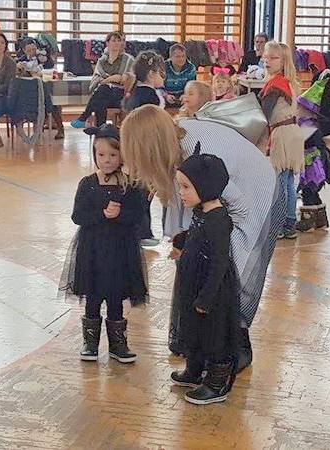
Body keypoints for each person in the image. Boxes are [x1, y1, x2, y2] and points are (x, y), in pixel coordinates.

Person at [120, 105, 284, 373]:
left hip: (257, 194)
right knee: (203, 264)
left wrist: (217, 238)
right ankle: (202, 340)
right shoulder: (177, 141)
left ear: (149, 147)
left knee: (236, 272)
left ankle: (236, 347)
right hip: (232, 197)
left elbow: (238, 208)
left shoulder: (201, 155)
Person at [61, 124, 147, 363]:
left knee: (116, 296)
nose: (107, 160)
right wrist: (102, 214)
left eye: (112, 155)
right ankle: (90, 343)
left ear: (122, 155)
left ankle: (118, 344)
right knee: (93, 295)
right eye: (101, 155)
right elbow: (78, 216)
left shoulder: (129, 185)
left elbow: (138, 217)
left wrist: (120, 215)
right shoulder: (87, 183)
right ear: (94, 154)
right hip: (93, 250)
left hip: (120, 250)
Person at [169, 153, 239, 405]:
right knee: (194, 328)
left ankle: (216, 383)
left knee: (213, 333)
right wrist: (182, 241)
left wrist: (207, 297)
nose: (181, 193)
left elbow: (219, 261)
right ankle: (194, 369)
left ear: (206, 186)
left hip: (212, 289)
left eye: (186, 187)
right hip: (194, 283)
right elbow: (197, 236)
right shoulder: (202, 211)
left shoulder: (218, 219)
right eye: (180, 186)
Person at [123, 50, 167, 248]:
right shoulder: (149, 96)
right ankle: (142, 232)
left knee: (141, 190)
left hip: (136, 146)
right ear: (151, 74)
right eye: (161, 72)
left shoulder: (137, 93)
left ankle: (139, 231)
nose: (163, 77)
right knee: (144, 192)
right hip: (146, 147)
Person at [260, 41, 304, 240]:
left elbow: (264, 114)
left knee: (280, 183)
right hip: (292, 132)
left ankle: (279, 224)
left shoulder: (276, 84)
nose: (267, 61)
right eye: (266, 57)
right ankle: (289, 224)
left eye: (273, 58)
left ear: (283, 61)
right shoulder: (288, 82)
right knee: (287, 182)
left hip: (282, 134)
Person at [70, 32, 134, 129]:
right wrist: (111, 79)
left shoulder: (128, 59)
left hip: (121, 96)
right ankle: (101, 130)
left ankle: (85, 118)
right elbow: (96, 79)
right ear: (107, 43)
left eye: (119, 41)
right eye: (114, 41)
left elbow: (122, 79)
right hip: (105, 94)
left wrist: (107, 80)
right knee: (101, 99)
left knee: (101, 92)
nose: (117, 43)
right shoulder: (102, 61)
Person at [15, 37, 64, 139]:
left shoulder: (44, 56)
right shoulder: (21, 60)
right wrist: (20, 68)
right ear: (24, 50)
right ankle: (37, 130)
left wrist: (43, 71)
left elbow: (52, 70)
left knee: (53, 102)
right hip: (30, 91)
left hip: (46, 87)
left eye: (33, 49)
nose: (32, 52)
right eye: (29, 50)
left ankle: (60, 129)